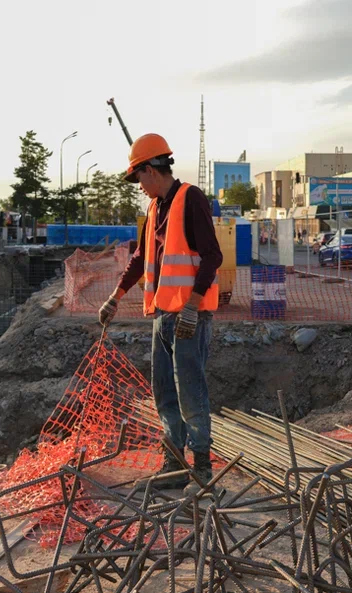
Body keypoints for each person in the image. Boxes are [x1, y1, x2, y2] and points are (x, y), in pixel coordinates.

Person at [98, 133, 224, 488]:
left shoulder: (191, 199)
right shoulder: (155, 209)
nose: (137, 185)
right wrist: (116, 295)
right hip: (163, 317)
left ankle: (200, 468)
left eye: (138, 177)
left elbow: (213, 256)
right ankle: (173, 462)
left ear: (151, 170)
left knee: (190, 393)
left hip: (189, 318)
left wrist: (193, 305)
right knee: (165, 391)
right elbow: (140, 258)